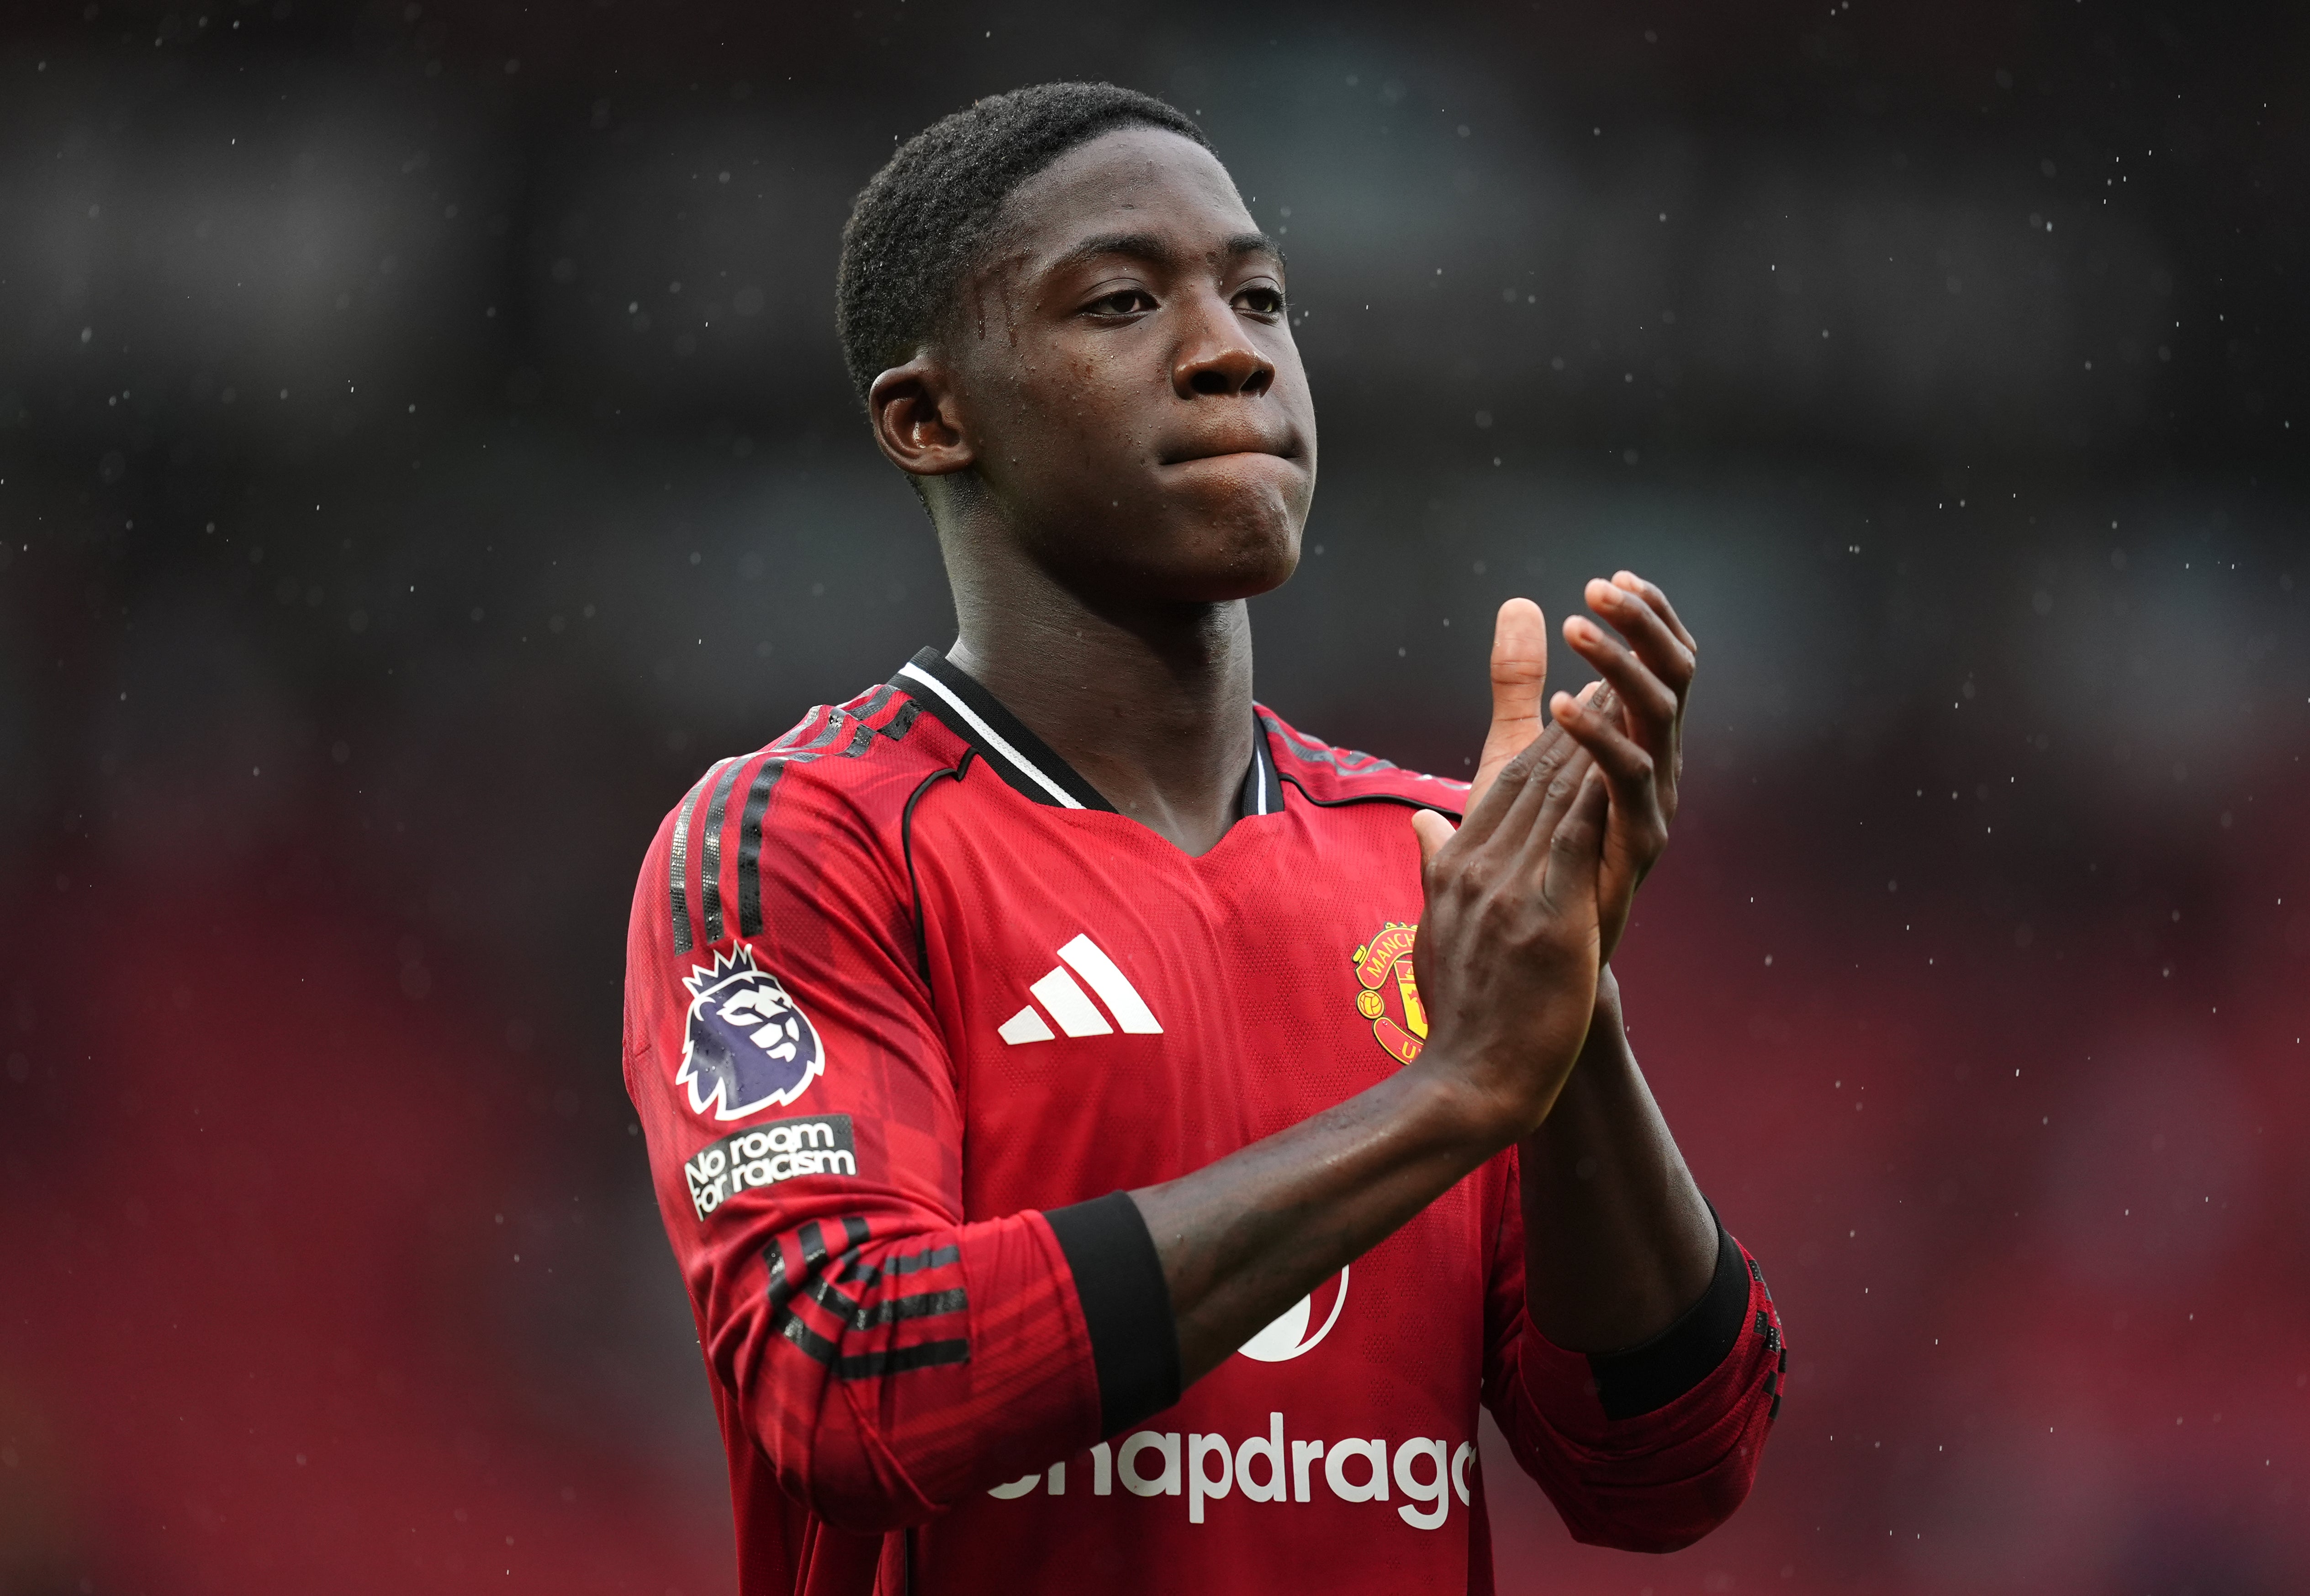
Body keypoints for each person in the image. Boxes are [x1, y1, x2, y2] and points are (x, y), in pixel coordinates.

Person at [622, 81, 1783, 1596]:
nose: (1232, 351)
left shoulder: (1432, 864)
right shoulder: (810, 838)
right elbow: (853, 1379)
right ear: (930, 418)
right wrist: (1448, 1099)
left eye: (1259, 298)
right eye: (1122, 302)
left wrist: (1573, 1032)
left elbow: (1666, 1470)